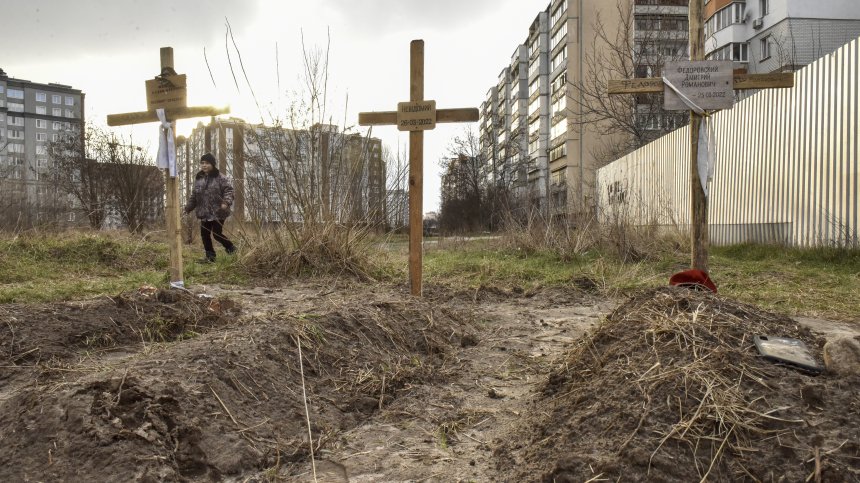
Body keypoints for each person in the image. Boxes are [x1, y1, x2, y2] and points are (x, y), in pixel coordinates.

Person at [183, 153, 236, 263]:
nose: (204, 165)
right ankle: (210, 257)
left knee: (217, 234)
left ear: (212, 164)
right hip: (204, 212)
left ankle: (232, 249)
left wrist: (226, 202)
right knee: (205, 235)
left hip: (218, 212)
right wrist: (187, 208)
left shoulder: (220, 177)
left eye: (207, 163)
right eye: (202, 163)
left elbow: (229, 191)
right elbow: (194, 196)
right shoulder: (199, 178)